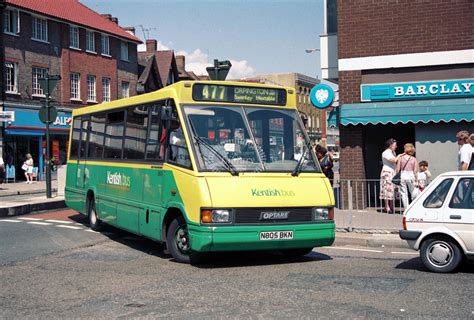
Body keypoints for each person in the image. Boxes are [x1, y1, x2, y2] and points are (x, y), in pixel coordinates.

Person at [379, 138, 403, 213]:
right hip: (387, 172)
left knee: (392, 189)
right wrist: (399, 155)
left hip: (392, 171)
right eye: (395, 145)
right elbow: (393, 160)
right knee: (387, 189)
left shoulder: (393, 153)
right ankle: (387, 206)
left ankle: (391, 206)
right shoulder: (386, 153)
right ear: (390, 145)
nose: (396, 147)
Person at [397, 143, 419, 209]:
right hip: (411, 175)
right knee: (413, 192)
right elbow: (415, 171)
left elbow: (398, 169)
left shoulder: (401, 158)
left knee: (404, 193)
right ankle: (414, 207)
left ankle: (406, 209)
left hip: (403, 175)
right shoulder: (414, 159)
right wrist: (416, 179)